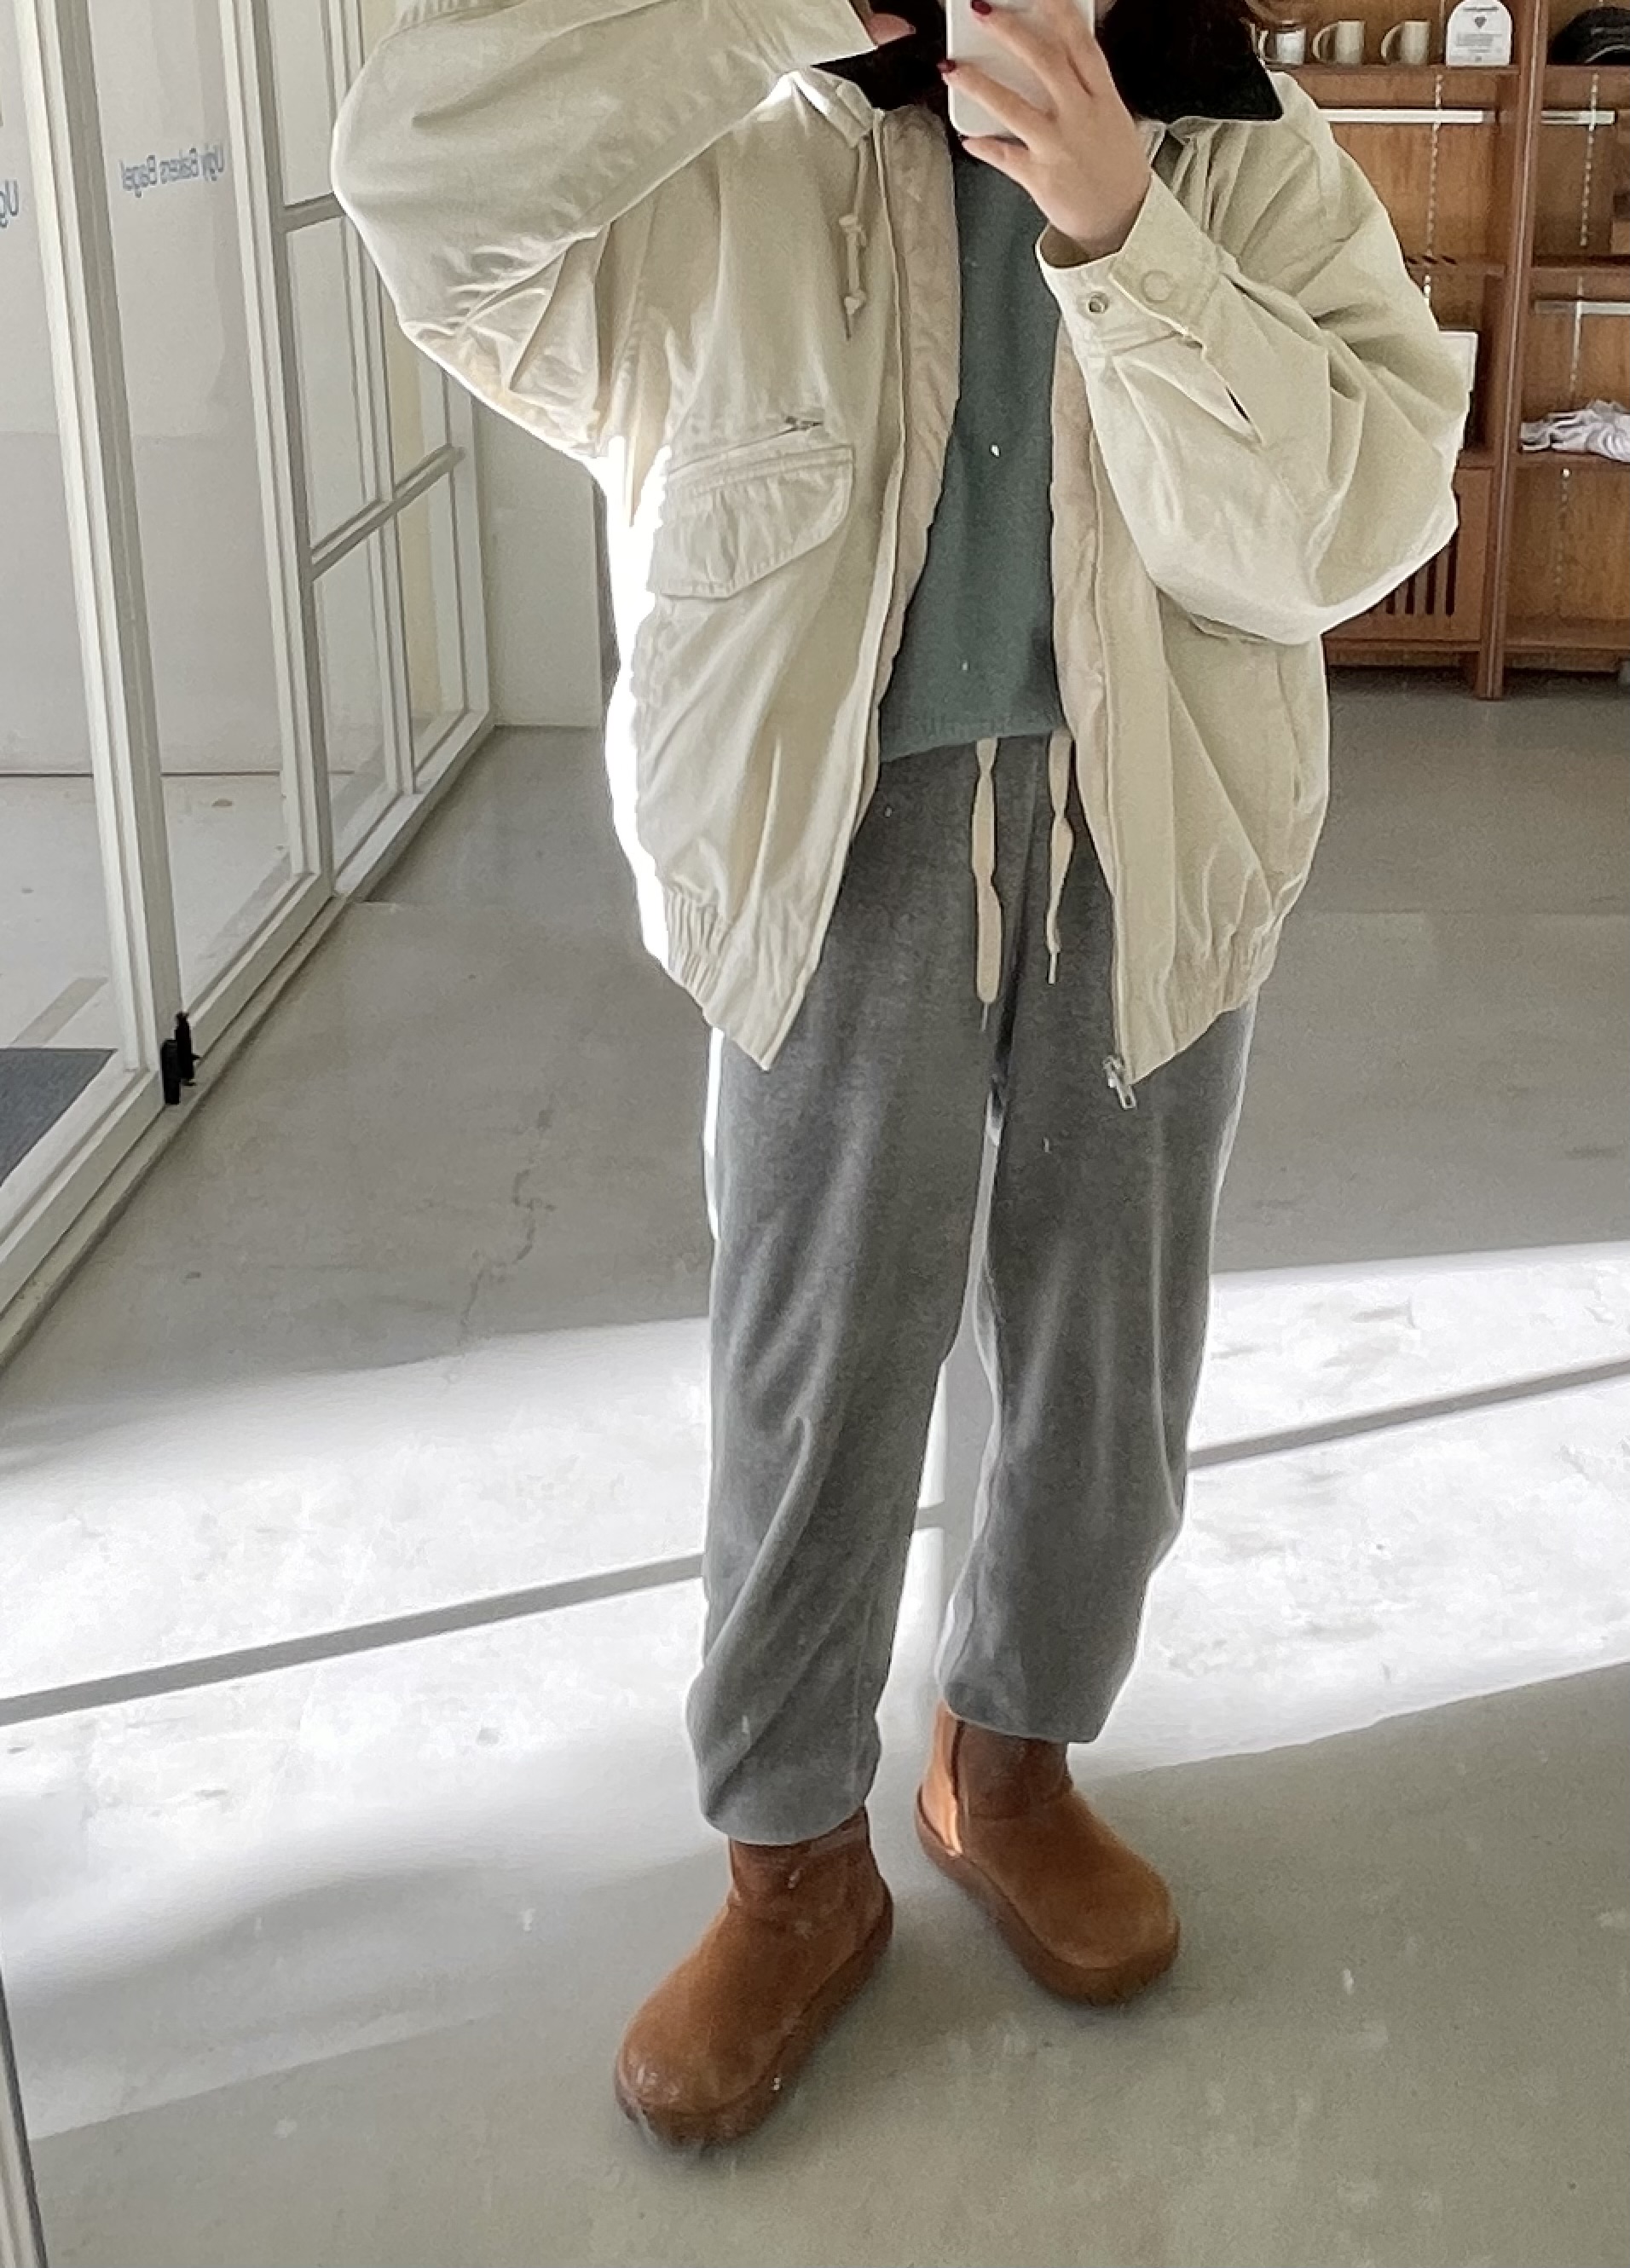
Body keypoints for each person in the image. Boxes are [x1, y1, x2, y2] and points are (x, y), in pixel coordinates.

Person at [333, 0, 1465, 2148]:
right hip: (826, 832)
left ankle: (1009, 1756)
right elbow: (415, 185)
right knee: (817, 1353)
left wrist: (1125, 228)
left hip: (1155, 824)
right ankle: (787, 1858)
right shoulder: (738, 134)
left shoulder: (1234, 140)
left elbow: (1356, 514)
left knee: (1105, 1345)